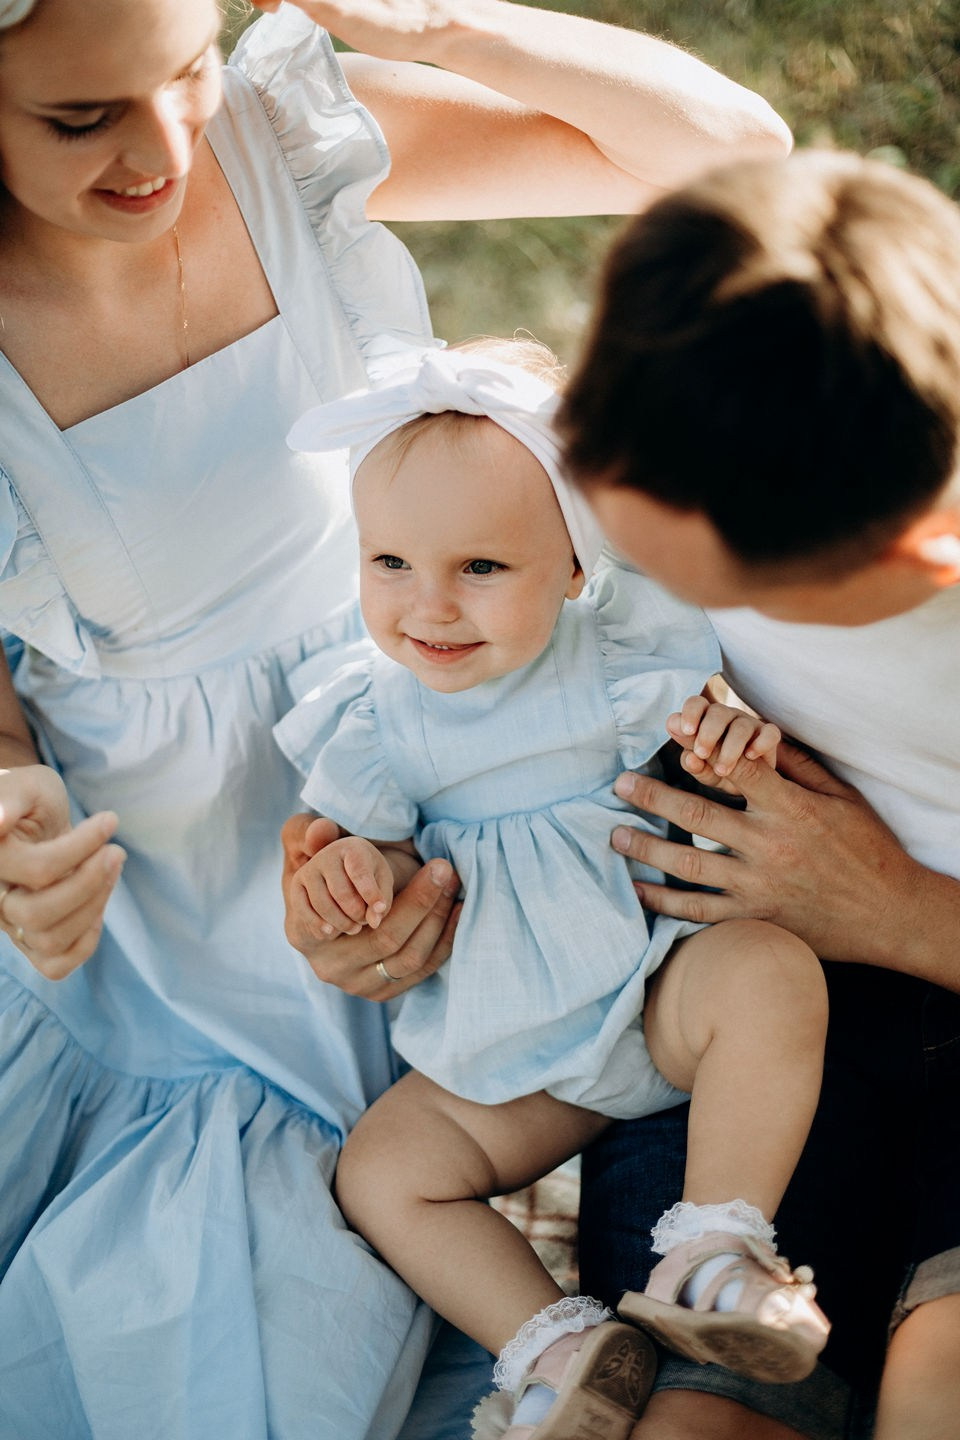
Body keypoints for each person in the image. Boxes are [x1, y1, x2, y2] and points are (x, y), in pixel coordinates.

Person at [0, 0, 793, 1434]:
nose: (166, 144)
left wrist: (436, 24)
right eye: (78, 118)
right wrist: (9, 803)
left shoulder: (279, 143)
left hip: (472, 808)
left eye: (184, 71)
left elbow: (734, 145)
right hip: (192, 958)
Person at [276, 338, 830, 1440]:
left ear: (575, 568)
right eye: (390, 564)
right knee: (384, 1172)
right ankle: (559, 1345)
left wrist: (729, 733)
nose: (428, 607)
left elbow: (714, 730)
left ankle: (713, 1249)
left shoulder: (621, 663)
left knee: (769, 974)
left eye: (481, 568)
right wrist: (355, 871)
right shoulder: (376, 718)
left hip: (651, 997)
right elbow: (385, 858)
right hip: (507, 1059)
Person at [556, 149, 960, 1440]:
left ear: (917, 544)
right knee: (701, 1416)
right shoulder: (673, 421)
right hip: (763, 1033)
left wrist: (896, 912)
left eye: (733, 592)